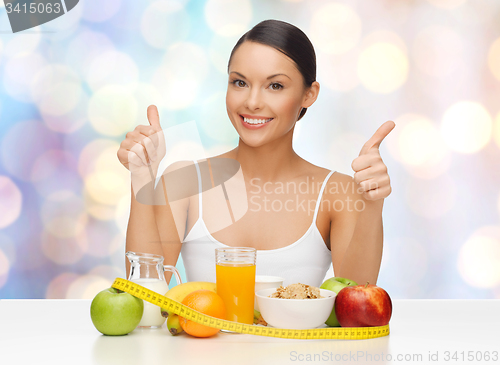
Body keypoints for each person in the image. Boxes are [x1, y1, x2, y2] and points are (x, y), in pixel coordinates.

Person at [117, 19, 394, 287]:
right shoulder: (185, 182)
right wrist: (142, 176)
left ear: (309, 94)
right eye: (240, 83)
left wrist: (372, 203)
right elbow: (144, 301)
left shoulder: (338, 193)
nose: (252, 102)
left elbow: (357, 304)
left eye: (275, 86)